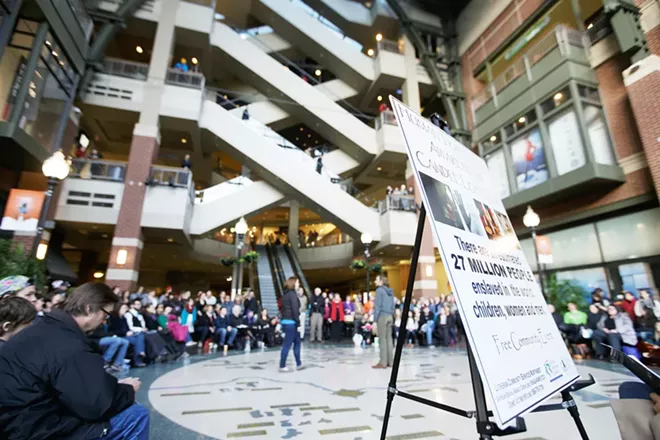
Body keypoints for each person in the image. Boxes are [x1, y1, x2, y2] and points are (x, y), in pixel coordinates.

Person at [0, 283, 149, 440]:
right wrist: (127, 390)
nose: (104, 321)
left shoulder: (46, 326)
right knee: (135, 414)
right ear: (89, 308)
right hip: (36, 429)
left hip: (17, 420)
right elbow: (94, 405)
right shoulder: (68, 343)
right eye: (105, 315)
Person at [108, 304, 147, 368]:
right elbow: (113, 330)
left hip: (127, 335)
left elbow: (128, 328)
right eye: (123, 308)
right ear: (118, 308)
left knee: (140, 336)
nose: (125, 309)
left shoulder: (124, 318)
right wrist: (125, 333)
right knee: (138, 341)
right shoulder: (114, 318)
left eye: (126, 308)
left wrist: (129, 332)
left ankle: (140, 354)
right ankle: (139, 359)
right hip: (120, 335)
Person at [279, 277, 303, 372]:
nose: (298, 284)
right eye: (297, 283)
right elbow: (295, 309)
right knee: (287, 344)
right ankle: (282, 365)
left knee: (297, 342)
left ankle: (299, 363)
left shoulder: (284, 295)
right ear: (293, 283)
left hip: (286, 321)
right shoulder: (292, 295)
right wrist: (298, 323)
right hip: (291, 323)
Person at [373, 275, 395, 369]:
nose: (375, 281)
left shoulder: (379, 291)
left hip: (382, 316)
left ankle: (383, 362)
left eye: (376, 280)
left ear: (381, 281)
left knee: (382, 339)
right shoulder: (390, 291)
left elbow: (377, 306)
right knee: (389, 339)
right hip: (390, 316)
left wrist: (374, 320)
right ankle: (390, 361)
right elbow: (393, 305)